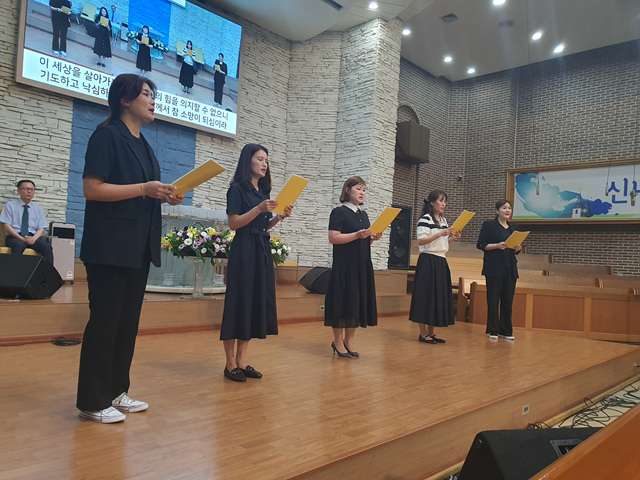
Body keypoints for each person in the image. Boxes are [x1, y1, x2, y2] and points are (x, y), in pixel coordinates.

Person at [76, 74, 184, 423]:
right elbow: (92, 189)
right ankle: (92, 401)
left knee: (126, 325)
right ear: (125, 100)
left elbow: (143, 193)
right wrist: (143, 188)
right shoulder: (107, 135)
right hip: (109, 247)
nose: (153, 101)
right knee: (105, 324)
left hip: (137, 248)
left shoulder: (144, 145)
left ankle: (115, 392)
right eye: (146, 94)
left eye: (153, 95)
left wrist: (164, 195)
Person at [220, 143, 293, 382]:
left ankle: (242, 361)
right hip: (243, 249)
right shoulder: (236, 189)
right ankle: (230, 364)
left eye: (266, 161)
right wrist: (258, 209)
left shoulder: (262, 192)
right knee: (238, 303)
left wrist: (278, 217)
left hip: (261, 248)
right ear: (247, 161)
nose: (264, 164)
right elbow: (234, 223)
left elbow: (262, 225)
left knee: (253, 303)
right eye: (260, 159)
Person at [324, 176, 382, 358]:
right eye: (358, 189)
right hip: (345, 266)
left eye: (364, 190)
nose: (362, 193)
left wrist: (371, 238)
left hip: (361, 265)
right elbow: (333, 238)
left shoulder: (363, 215)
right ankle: (337, 341)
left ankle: (349, 341)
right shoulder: (339, 212)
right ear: (347, 190)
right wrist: (357, 235)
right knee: (341, 304)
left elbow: (362, 240)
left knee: (355, 304)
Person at [408, 189, 461, 344]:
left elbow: (441, 243)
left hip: (441, 260)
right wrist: (440, 234)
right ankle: (423, 333)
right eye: (440, 201)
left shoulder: (443, 220)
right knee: (425, 296)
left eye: (445, 201)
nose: (443, 204)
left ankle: (432, 332)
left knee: (437, 296)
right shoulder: (425, 219)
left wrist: (452, 238)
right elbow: (422, 241)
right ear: (432, 202)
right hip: (428, 260)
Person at [476, 199, 521, 340]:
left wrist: (517, 248)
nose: (507, 210)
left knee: (508, 301)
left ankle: (506, 330)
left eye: (509, 208)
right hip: (494, 267)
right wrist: (497, 245)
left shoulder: (514, 227)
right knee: (493, 299)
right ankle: (493, 329)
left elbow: (515, 248)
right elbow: (481, 244)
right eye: (504, 208)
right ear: (497, 211)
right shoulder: (489, 225)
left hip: (510, 267)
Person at [0, 180, 54, 265]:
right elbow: (7, 226)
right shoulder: (10, 206)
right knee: (19, 245)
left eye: (31, 189)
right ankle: (14, 272)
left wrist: (33, 239)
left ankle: (47, 273)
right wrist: (21, 238)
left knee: (47, 247)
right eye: (26, 189)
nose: (29, 191)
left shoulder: (38, 209)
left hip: (32, 237)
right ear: (18, 191)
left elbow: (41, 228)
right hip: (15, 237)